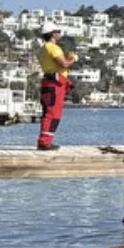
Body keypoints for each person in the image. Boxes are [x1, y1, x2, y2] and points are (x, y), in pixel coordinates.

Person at [36, 22, 77, 151]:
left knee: (49, 112)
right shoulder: (53, 48)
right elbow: (64, 64)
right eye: (58, 32)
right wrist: (73, 59)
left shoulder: (42, 49)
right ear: (53, 34)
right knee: (53, 113)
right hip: (55, 84)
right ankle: (45, 142)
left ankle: (45, 140)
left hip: (49, 82)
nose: (60, 35)